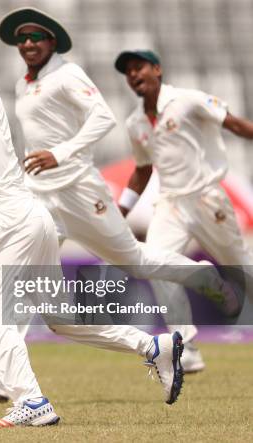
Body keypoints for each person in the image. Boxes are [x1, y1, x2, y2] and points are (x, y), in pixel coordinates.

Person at [0, 37, 184, 427]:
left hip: (11, 225)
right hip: (33, 219)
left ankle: (31, 401)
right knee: (61, 318)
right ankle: (151, 344)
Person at [0, 7, 241, 403]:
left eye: (36, 37)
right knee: (25, 279)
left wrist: (62, 153)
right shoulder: (22, 84)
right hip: (40, 197)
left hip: (78, 189)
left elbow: (102, 117)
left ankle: (202, 277)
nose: (29, 44)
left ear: (52, 42)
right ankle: (1, 371)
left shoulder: (67, 73)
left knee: (133, 261)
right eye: (22, 39)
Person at [114, 49, 253, 372]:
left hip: (207, 197)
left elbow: (232, 123)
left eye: (139, 68)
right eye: (129, 72)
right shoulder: (135, 122)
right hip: (171, 203)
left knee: (241, 268)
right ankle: (186, 345)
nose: (134, 75)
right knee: (156, 263)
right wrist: (121, 210)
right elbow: (143, 170)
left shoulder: (187, 100)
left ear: (157, 69)